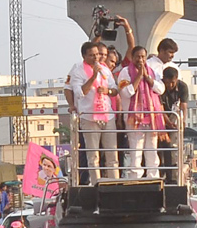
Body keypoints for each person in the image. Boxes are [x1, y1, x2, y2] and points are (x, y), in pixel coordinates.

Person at [68, 42, 118, 184]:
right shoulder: (78, 71)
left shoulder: (105, 69)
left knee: (112, 153)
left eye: (97, 54)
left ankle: (114, 183)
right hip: (89, 117)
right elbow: (79, 93)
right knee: (93, 155)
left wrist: (107, 91)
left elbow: (115, 89)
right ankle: (97, 183)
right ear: (84, 56)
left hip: (107, 115)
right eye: (91, 55)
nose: (96, 58)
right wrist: (93, 76)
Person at [118, 46, 165, 180]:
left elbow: (161, 89)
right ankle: (135, 177)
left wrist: (148, 78)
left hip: (151, 117)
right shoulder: (125, 72)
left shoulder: (152, 72)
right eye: (138, 57)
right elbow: (126, 93)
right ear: (132, 58)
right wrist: (139, 77)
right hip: (134, 118)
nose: (141, 60)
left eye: (143, 57)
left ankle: (153, 176)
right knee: (136, 149)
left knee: (152, 150)